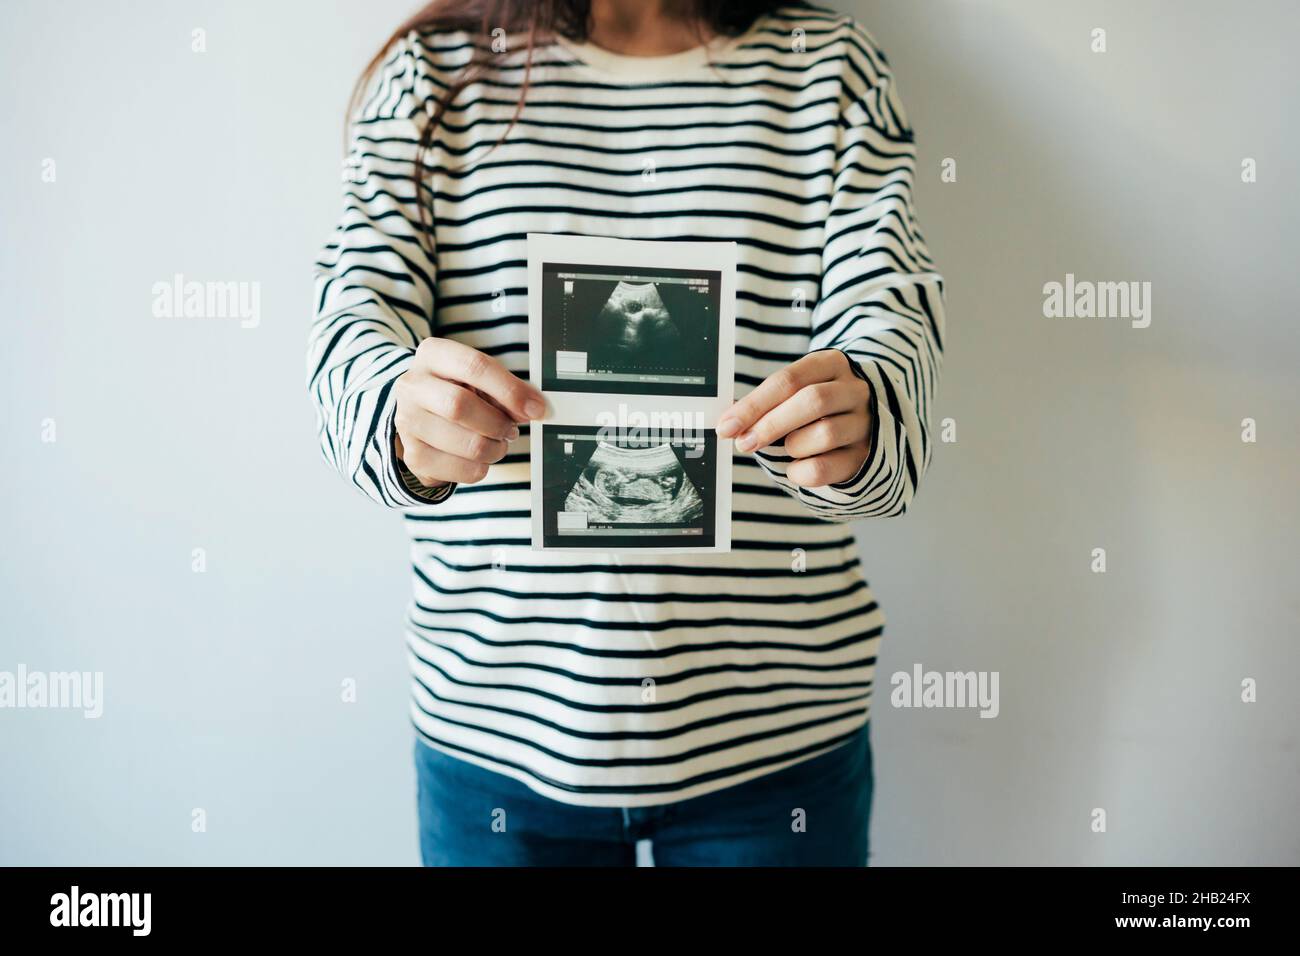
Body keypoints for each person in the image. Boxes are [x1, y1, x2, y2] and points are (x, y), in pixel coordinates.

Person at [307, 0, 945, 866]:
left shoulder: (829, 68)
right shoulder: (434, 75)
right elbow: (350, 323)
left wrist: (869, 413)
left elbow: (892, 320)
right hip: (496, 730)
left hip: (777, 734)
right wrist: (398, 415)